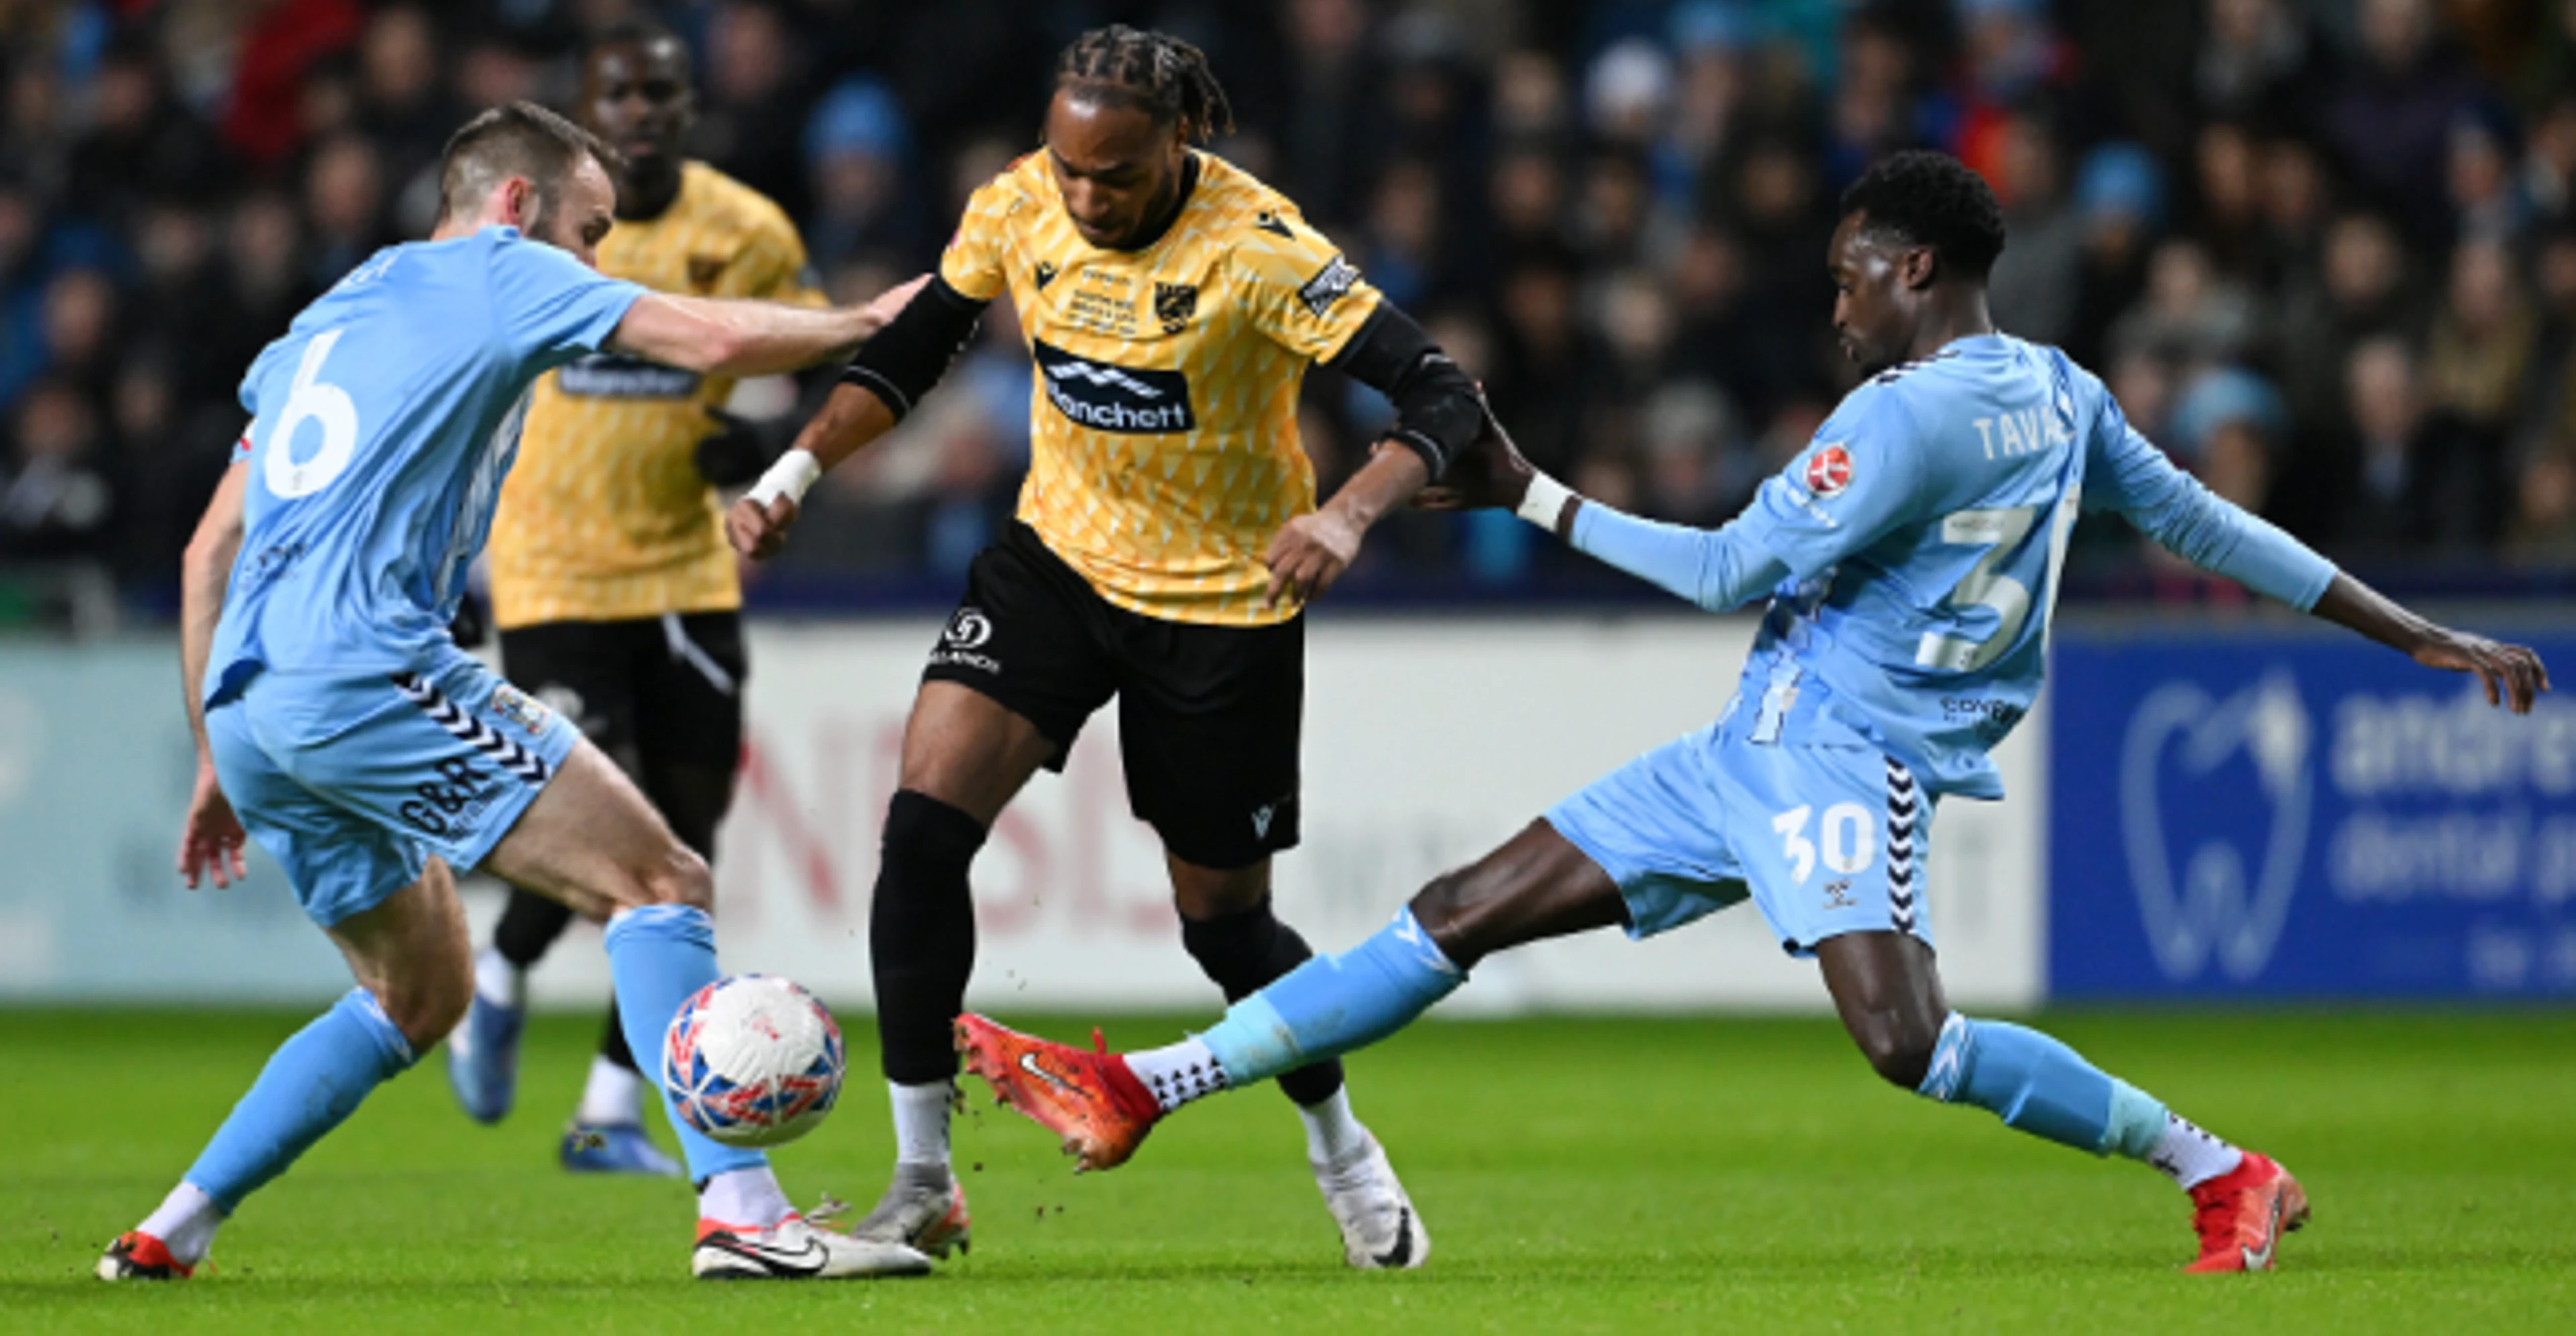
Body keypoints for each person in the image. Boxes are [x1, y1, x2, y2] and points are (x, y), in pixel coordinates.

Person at [951, 151, 2553, 1275]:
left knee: (1903, 1041)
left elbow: (1725, 568)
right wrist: (2403, 630)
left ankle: (2226, 1172)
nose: (1837, 300)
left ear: (1914, 269)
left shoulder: (1905, 417)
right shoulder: (2062, 393)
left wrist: (1531, 493)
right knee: (1457, 914)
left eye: (1852, 274)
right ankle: (1144, 1089)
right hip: (1754, 750)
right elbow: (2212, 527)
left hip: (1845, 757)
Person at [101, 101, 932, 1282]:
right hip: (364, 667)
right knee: (660, 880)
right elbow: (702, 342)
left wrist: (211, 757)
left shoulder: (329, 319)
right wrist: (866, 319)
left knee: (413, 993)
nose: (595, 263)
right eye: (590, 232)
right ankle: (743, 1216)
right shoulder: (500, 271)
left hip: (249, 702)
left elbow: (206, 558)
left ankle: (171, 1229)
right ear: (513, 205)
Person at [726, 25, 1487, 1269]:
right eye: (1069, 169)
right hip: (1057, 569)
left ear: (1178, 144)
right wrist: (798, 469)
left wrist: (1349, 514)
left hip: (1220, 610)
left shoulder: (1259, 249)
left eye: (1116, 177)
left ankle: (1343, 1148)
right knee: (919, 836)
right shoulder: (1020, 205)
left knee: (1225, 934)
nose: (1086, 198)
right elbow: (916, 348)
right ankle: (921, 1176)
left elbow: (1444, 394)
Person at [446, 22, 826, 1177]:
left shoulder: (747, 230)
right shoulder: (535, 230)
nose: (642, 110)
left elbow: (798, 359)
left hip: (687, 574)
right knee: (608, 834)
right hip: (551, 571)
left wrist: (762, 442)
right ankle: (499, 972)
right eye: (620, 92)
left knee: (686, 845)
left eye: (661, 91)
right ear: (587, 106)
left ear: (689, 104)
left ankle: (609, 1109)